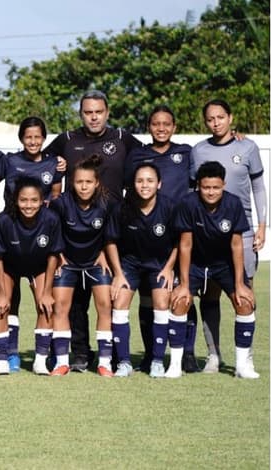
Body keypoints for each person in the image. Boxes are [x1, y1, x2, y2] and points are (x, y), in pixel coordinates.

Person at [43, 90, 142, 372]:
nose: (94, 116)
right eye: (88, 112)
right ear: (81, 114)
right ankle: (79, 353)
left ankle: (112, 355)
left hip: (111, 229)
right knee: (74, 301)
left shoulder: (122, 139)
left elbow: (150, 159)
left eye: (99, 111)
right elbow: (40, 161)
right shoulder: (67, 140)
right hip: (75, 230)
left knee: (107, 296)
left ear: (107, 112)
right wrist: (53, 188)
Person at [189, 99, 266, 373]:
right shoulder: (198, 151)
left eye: (220, 117)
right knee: (209, 296)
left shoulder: (247, 147)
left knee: (244, 295)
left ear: (230, 118)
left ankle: (245, 358)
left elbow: (258, 187)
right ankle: (213, 355)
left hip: (242, 233)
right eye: (210, 119)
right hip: (208, 236)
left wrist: (262, 225)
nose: (215, 122)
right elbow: (192, 193)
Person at [169, 161, 258, 379]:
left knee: (245, 302)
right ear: (199, 185)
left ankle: (242, 365)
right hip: (196, 264)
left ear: (223, 185)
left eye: (216, 187)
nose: (210, 192)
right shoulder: (188, 203)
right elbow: (185, 245)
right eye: (206, 187)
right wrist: (184, 284)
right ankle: (174, 364)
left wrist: (239, 284)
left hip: (224, 264)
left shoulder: (233, 204)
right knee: (179, 301)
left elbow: (237, 245)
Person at [123, 105, 193, 372]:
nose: (161, 128)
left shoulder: (186, 153)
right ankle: (151, 353)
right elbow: (129, 190)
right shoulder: (138, 155)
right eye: (155, 124)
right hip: (147, 236)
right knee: (147, 298)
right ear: (149, 127)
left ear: (174, 126)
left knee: (181, 294)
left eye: (166, 124)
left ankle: (185, 352)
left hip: (180, 234)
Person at [0, 116, 63, 371]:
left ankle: (42, 358)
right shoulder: (9, 161)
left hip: (39, 242)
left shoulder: (54, 163)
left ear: (44, 138)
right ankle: (9, 354)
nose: (33, 141)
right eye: (28, 137)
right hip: (13, 240)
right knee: (6, 302)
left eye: (37, 137)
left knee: (45, 302)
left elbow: (56, 196)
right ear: (21, 138)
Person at [106, 163, 178, 377]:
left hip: (159, 265)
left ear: (159, 184)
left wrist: (169, 268)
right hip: (130, 265)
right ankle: (124, 363)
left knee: (161, 303)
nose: (144, 185)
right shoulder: (121, 208)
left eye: (149, 181)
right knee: (119, 303)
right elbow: (110, 241)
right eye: (139, 181)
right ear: (133, 184)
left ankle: (156, 361)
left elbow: (180, 242)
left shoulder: (169, 207)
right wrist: (118, 274)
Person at [49, 155, 118, 377]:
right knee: (60, 306)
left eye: (89, 182)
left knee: (105, 305)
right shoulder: (61, 203)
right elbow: (51, 232)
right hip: (67, 263)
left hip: (96, 262)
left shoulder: (107, 204)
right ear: (72, 182)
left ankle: (105, 362)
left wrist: (103, 254)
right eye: (79, 182)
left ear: (97, 183)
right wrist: (58, 256)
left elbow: (110, 237)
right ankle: (61, 361)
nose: (84, 186)